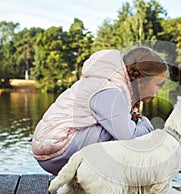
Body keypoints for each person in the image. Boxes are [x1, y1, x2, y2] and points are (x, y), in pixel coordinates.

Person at [32, 46, 168, 175]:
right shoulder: (110, 91)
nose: (158, 91)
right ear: (141, 80)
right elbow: (130, 138)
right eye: (158, 85)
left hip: (56, 147)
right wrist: (146, 125)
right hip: (56, 151)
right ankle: (88, 187)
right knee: (116, 134)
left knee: (119, 126)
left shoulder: (113, 83)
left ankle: (82, 186)